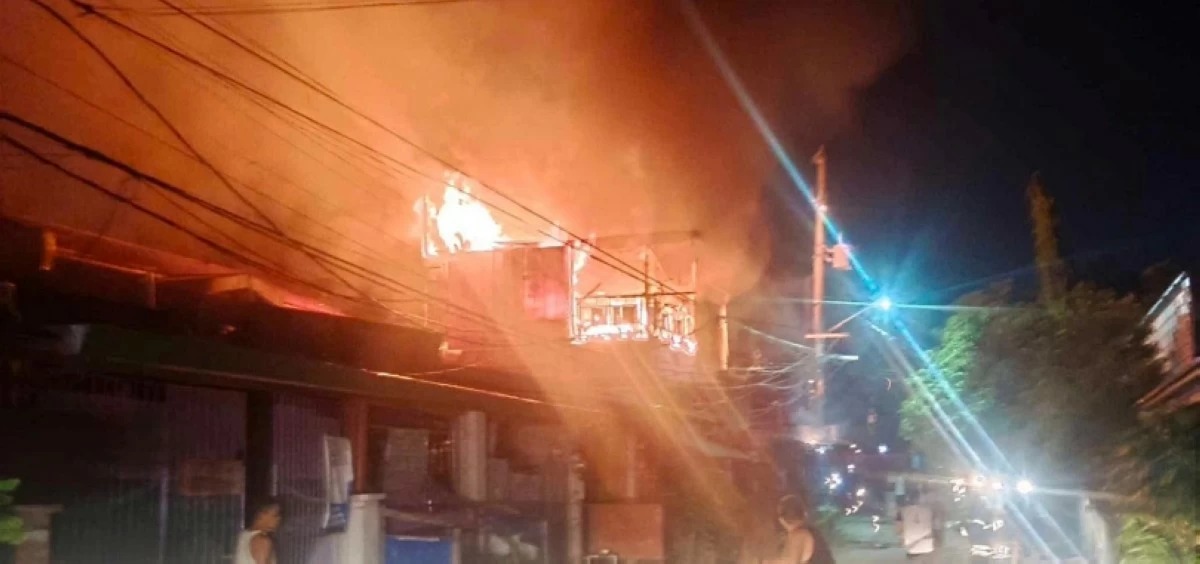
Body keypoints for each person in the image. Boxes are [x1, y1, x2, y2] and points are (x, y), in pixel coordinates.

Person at [762, 495, 835, 564]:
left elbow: (790, 562)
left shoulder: (800, 535)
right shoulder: (812, 533)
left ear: (781, 520)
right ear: (804, 514)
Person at [237, 497, 282, 564]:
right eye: (275, 515)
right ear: (261, 514)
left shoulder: (243, 536)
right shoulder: (262, 540)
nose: (279, 519)